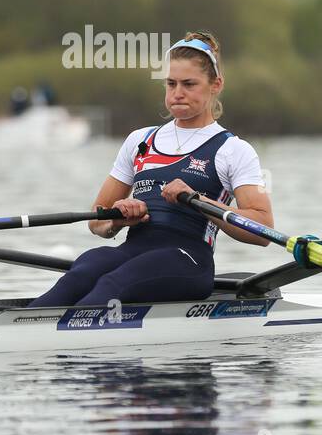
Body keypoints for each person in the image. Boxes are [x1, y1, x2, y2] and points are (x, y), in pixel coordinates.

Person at [29, 31, 273, 308]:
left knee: (113, 283)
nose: (177, 93)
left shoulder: (233, 150)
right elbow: (97, 221)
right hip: (133, 251)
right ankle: (18, 334)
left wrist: (198, 201)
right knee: (84, 270)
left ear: (216, 84)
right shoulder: (140, 141)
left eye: (189, 84)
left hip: (188, 259)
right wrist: (119, 219)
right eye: (171, 84)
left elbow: (262, 229)